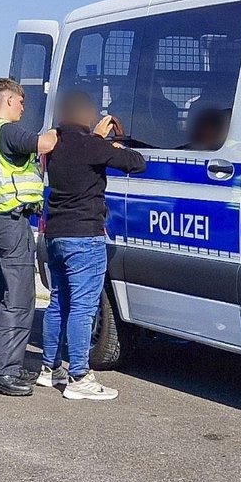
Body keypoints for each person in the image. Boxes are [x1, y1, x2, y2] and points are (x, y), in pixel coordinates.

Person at [38, 92, 145, 400]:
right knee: (84, 308)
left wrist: (97, 140)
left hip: (55, 234)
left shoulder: (54, 145)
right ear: (87, 116)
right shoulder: (93, 146)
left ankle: (49, 369)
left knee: (58, 302)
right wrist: (111, 143)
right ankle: (79, 377)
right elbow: (135, 163)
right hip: (84, 236)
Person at [0, 78, 56, 396]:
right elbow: (45, 144)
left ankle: (2, 366)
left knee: (1, 296)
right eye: (21, 102)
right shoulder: (6, 131)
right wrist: (65, 129)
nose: (23, 107)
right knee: (19, 300)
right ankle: (3, 373)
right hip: (12, 220)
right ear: (7, 101)